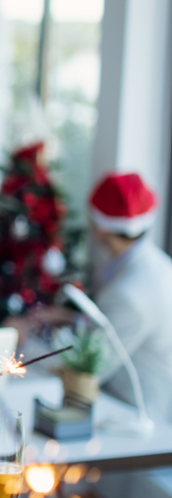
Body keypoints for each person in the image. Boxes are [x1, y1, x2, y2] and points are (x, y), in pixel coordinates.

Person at [13, 172, 172, 422]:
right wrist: (71, 318)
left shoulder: (129, 294)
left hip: (134, 419)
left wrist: (22, 343)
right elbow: (119, 330)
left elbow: (86, 370)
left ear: (99, 227)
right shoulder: (159, 266)